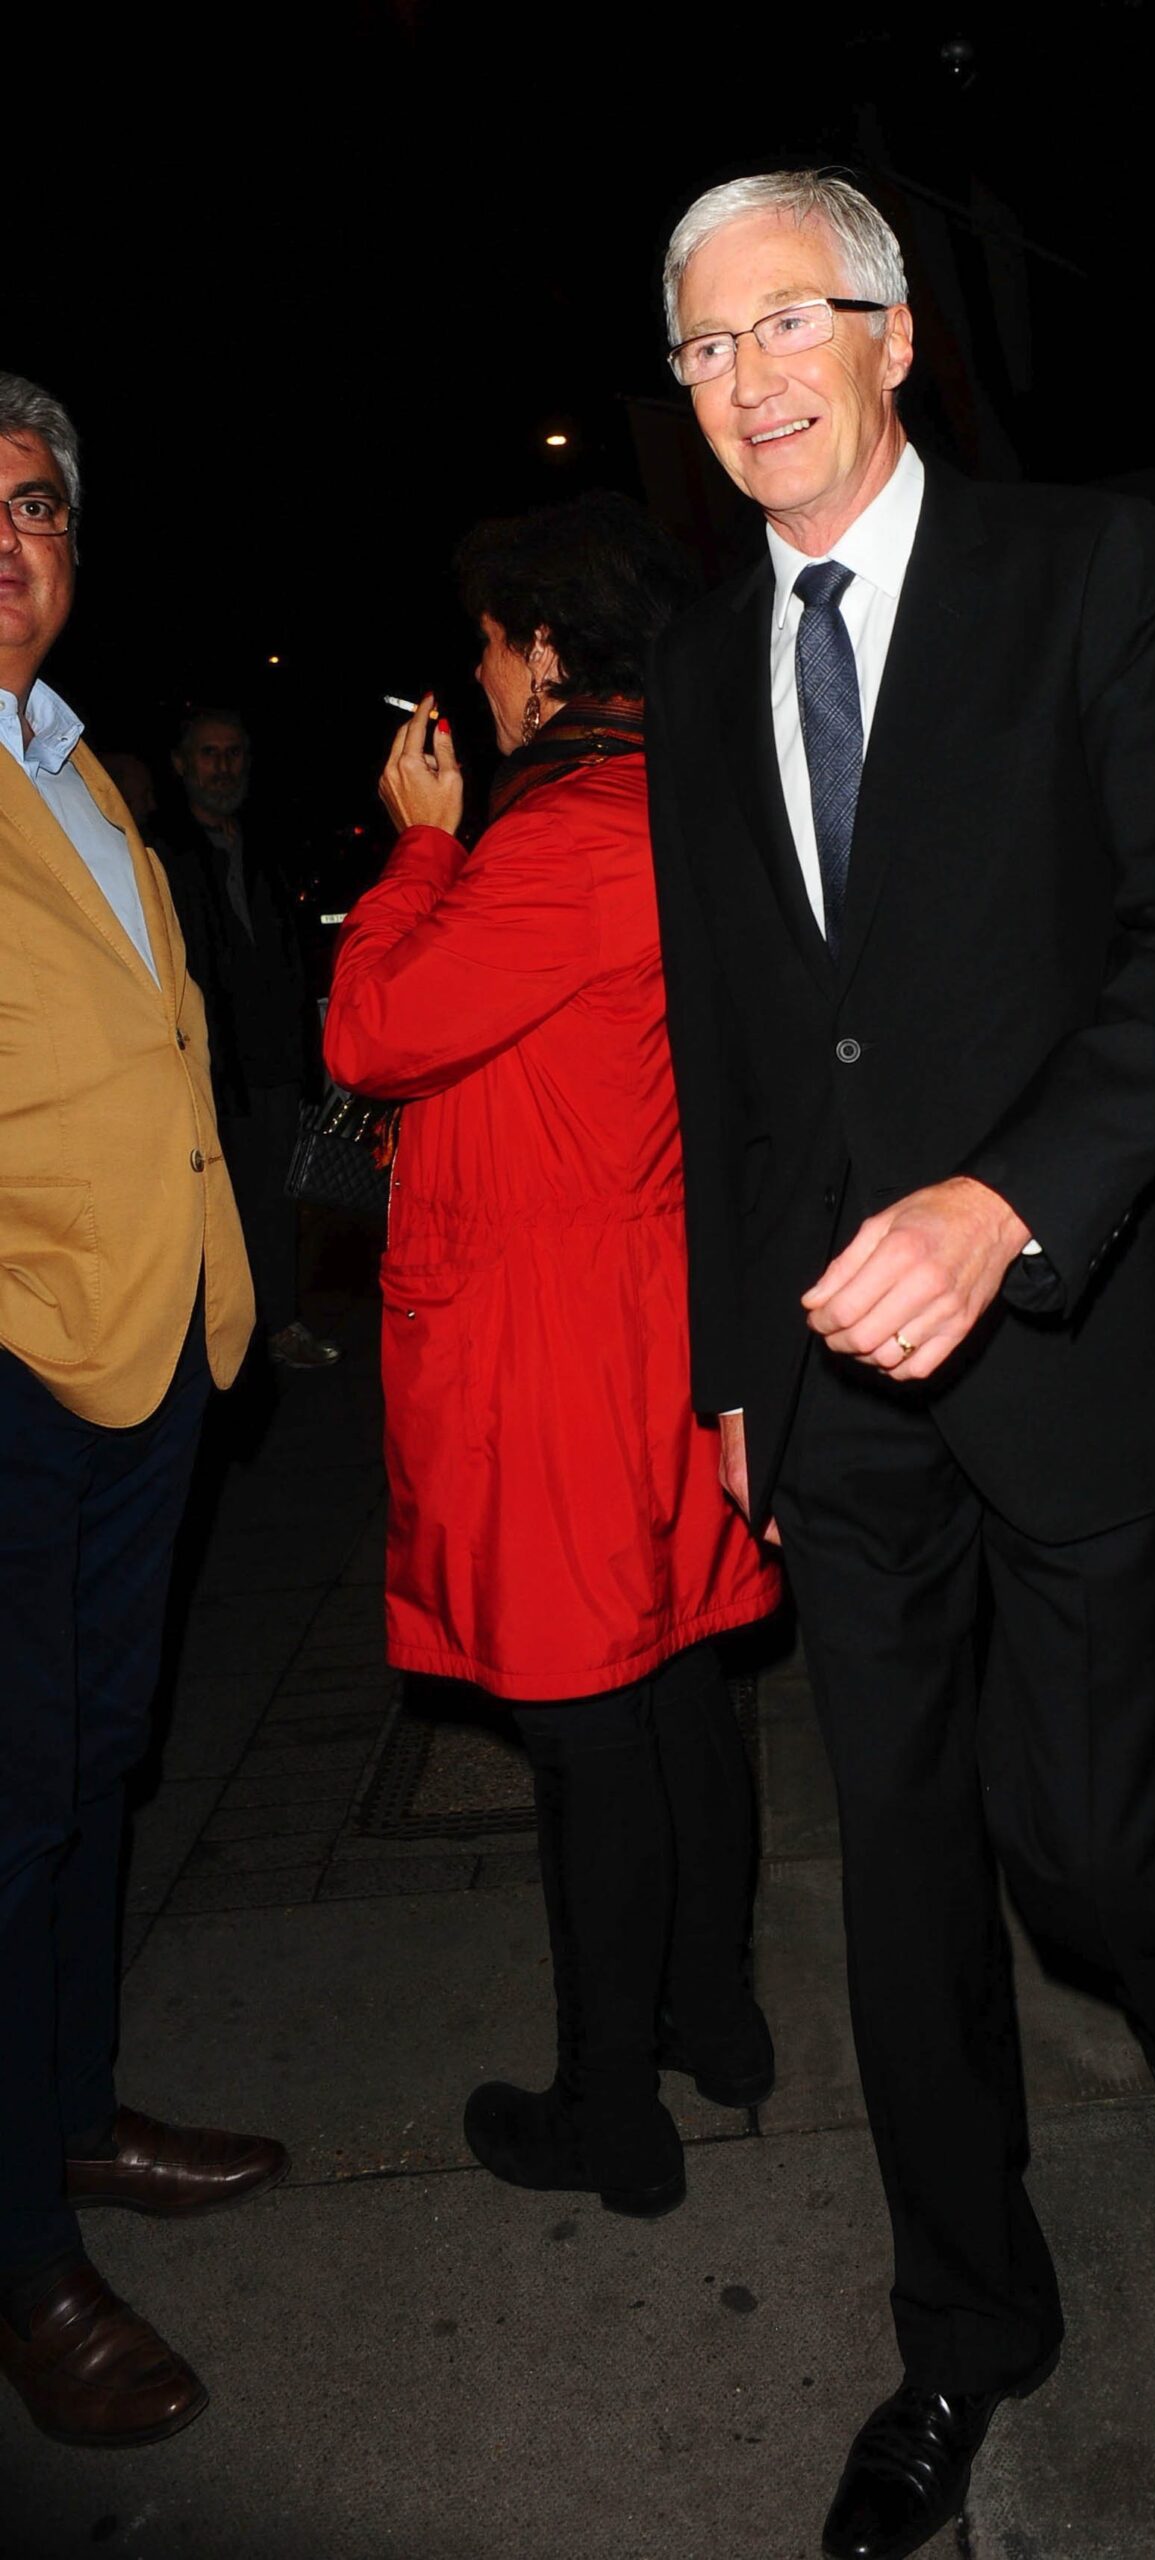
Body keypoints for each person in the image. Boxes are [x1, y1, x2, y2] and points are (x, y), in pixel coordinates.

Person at [646, 171, 1155, 2560]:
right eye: (702, 350)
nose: (747, 380)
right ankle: (959, 2332)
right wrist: (733, 1359)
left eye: (786, 322)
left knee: (1085, 1840)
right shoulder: (706, 666)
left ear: (894, 335)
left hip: (1070, 1336)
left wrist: (1005, 1196)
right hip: (829, 1385)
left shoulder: (1077, 572)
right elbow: (736, 1048)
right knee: (897, 1866)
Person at [323, 495, 780, 2223]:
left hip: (557, 1343)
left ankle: (612, 2116)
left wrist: (419, 843)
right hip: (654, 1316)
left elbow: (370, 1028)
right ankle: (716, 2028)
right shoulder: (689, 797)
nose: (475, 679)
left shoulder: (569, 829)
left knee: (595, 1731)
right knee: (677, 1694)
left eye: (489, 645)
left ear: (549, 653)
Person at [0, 373, 284, 2450]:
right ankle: (18, 2255)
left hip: (149, 1347)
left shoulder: (78, 757)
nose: (4, 538)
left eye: (30, 505)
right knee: (5, 1808)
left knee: (98, 1761)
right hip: (13, 1369)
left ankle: (72, 2110)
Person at [160, 708, 338, 1371]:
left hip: (270, 1064)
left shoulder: (265, 849)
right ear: (181, 764)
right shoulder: (160, 852)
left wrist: (307, 1049)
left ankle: (278, 1326)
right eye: (208, 754)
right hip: (204, 1065)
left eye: (233, 753)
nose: (223, 766)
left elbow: (290, 955)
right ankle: (214, 1347)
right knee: (207, 1213)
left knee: (273, 1202)